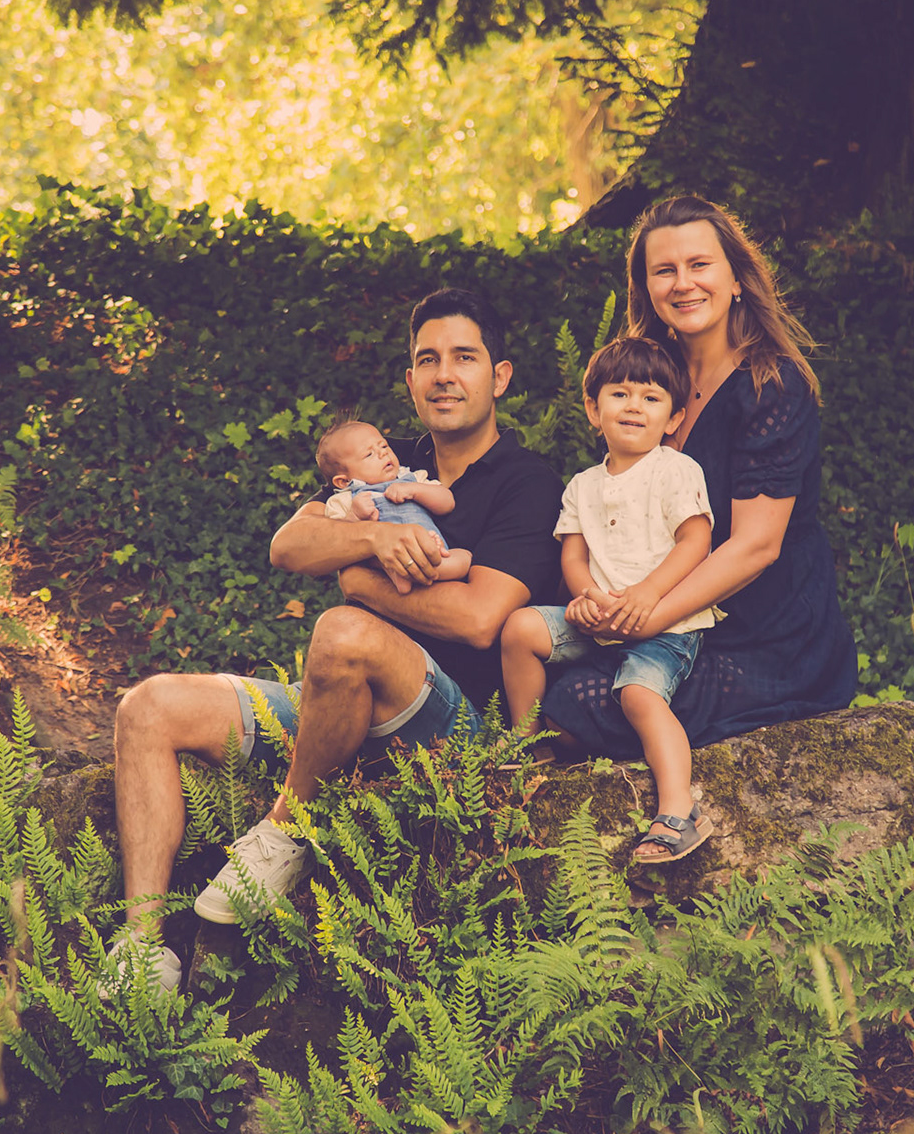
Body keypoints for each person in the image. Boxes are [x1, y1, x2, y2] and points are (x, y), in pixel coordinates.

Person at [107, 288, 562, 992]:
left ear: (498, 377)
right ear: (410, 379)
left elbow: (479, 618)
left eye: (464, 358)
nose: (444, 375)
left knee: (344, 627)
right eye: (428, 360)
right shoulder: (385, 459)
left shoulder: (526, 482)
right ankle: (142, 955)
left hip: (449, 718)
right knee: (147, 706)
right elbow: (290, 545)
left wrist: (361, 583)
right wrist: (373, 541)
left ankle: (284, 830)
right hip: (340, 699)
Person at [538, 197, 856, 854]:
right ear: (646, 288)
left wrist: (645, 617)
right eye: (665, 270)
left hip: (762, 635)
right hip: (662, 615)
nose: (683, 283)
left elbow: (756, 546)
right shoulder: (651, 376)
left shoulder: (772, 386)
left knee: (585, 702)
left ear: (736, 277)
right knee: (551, 676)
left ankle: (679, 815)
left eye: (700, 265)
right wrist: (605, 602)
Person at [500, 336, 718, 863]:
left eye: (651, 397)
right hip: (599, 617)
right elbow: (574, 556)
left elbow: (696, 541)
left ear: (674, 417)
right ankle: (529, 747)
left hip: (666, 624)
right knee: (520, 630)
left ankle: (678, 809)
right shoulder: (582, 484)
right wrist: (586, 597)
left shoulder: (675, 469)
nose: (634, 406)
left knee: (639, 696)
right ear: (593, 410)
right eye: (620, 394)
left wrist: (648, 594)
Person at [313, 417, 473, 594]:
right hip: (388, 558)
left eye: (383, 446)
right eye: (369, 454)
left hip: (431, 548)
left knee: (465, 558)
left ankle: (410, 574)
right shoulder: (345, 500)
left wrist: (414, 490)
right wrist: (355, 515)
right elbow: (337, 540)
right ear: (343, 481)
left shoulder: (412, 478)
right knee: (373, 561)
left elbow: (447, 503)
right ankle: (403, 571)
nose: (383, 454)